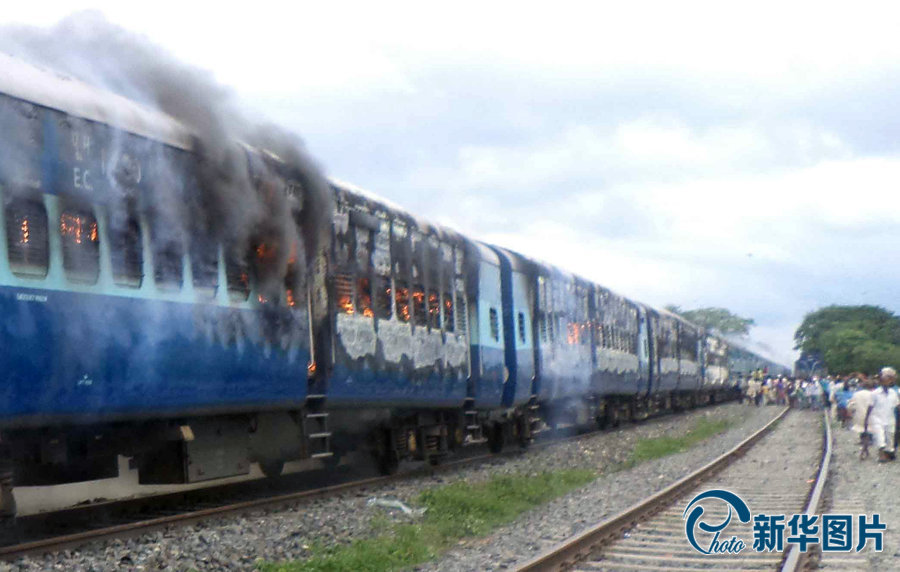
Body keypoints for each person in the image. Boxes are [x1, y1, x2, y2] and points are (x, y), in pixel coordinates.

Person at [864, 367, 900, 462]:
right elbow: (870, 406)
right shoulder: (875, 393)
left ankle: (888, 454)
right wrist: (866, 420)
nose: (887, 382)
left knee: (890, 437)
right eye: (885, 380)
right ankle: (881, 455)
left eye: (889, 380)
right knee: (880, 437)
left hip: (890, 419)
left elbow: (897, 406)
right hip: (877, 418)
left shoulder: (893, 393)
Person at [849, 375, 875, 459]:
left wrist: (851, 412)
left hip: (859, 415)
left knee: (863, 432)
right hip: (871, 416)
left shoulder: (856, 394)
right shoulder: (874, 394)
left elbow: (851, 405)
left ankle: (865, 450)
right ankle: (864, 450)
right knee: (868, 433)